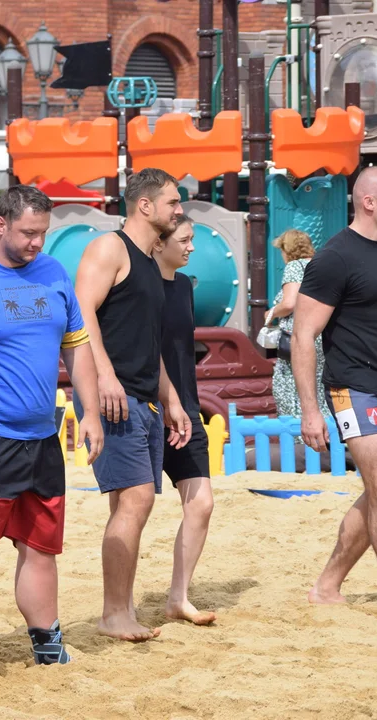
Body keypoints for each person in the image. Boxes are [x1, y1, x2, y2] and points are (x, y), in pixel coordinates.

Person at [0, 184, 103, 665]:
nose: (37, 243)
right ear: (1, 224)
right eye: (29, 232)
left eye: (43, 233)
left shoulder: (53, 272)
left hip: (42, 436)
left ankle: (48, 646)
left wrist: (90, 412)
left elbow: (77, 345)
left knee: (41, 547)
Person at [294, 166, 377, 632]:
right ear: (368, 201)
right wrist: (310, 410)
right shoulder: (334, 258)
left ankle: (328, 584)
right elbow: (304, 334)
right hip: (352, 385)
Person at [73, 167, 192, 642]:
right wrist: (103, 376)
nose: (179, 211)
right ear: (145, 205)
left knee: (131, 504)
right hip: (115, 399)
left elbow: (149, 344)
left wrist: (174, 400)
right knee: (137, 500)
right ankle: (113, 613)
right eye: (173, 203)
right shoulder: (111, 248)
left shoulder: (148, 261)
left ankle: (118, 609)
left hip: (144, 401)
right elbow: (80, 312)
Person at [151, 218, 216, 626]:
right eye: (185, 240)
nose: (192, 247)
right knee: (130, 509)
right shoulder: (138, 287)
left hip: (186, 409)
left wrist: (183, 404)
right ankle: (117, 605)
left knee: (202, 503)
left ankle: (179, 596)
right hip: (145, 408)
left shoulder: (185, 286)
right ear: (159, 243)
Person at [264, 229, 329, 421]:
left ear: (288, 249)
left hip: (300, 336)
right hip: (322, 334)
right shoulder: (320, 267)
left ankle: (299, 438)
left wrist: (271, 313)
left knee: (289, 385)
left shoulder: (295, 266)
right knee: (316, 386)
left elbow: (290, 303)